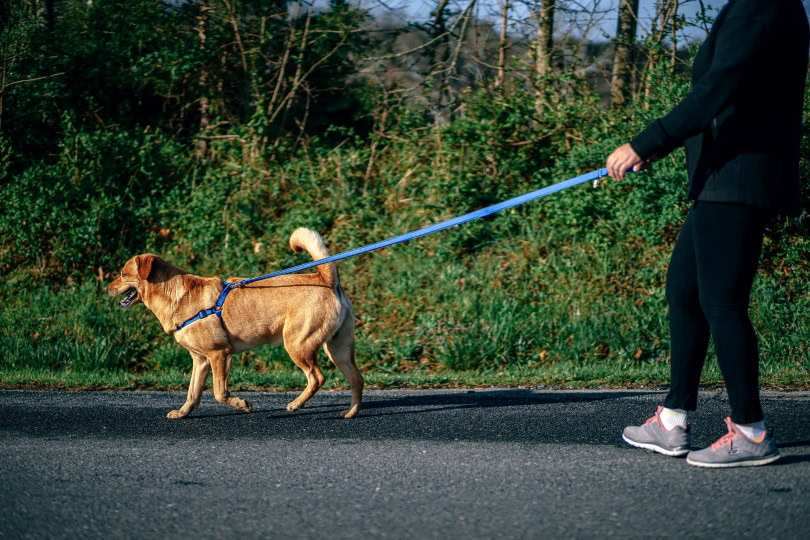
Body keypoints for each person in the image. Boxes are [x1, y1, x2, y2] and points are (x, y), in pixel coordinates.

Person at [606, 0, 809, 468]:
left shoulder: (761, 7)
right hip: (721, 177)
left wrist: (648, 140)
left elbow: (718, 88)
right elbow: (731, 97)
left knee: (722, 303)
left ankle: (751, 431)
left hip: (737, 178)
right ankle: (672, 419)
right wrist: (663, 146)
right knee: (685, 291)